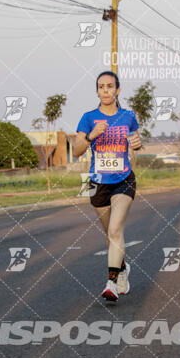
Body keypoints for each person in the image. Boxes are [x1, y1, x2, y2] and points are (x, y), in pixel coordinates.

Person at [74, 71, 141, 301]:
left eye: (110, 86)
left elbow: (135, 142)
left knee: (115, 230)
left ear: (117, 90)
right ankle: (123, 269)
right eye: (101, 87)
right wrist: (91, 135)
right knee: (110, 234)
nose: (105, 90)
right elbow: (76, 150)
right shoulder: (88, 117)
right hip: (97, 183)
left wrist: (138, 144)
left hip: (123, 180)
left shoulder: (128, 116)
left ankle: (111, 282)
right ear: (97, 91)